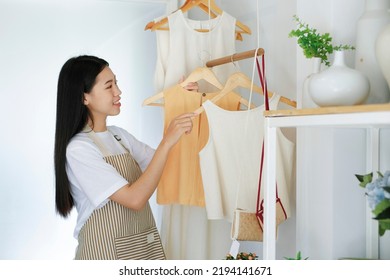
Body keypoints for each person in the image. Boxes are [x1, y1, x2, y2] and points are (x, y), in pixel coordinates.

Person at [54, 55, 195, 260]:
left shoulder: (119, 136)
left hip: (142, 249)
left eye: (116, 83)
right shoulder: (79, 149)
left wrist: (182, 105)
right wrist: (166, 141)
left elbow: (166, 166)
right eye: (109, 86)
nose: (118, 92)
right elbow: (134, 199)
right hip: (105, 254)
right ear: (84, 97)